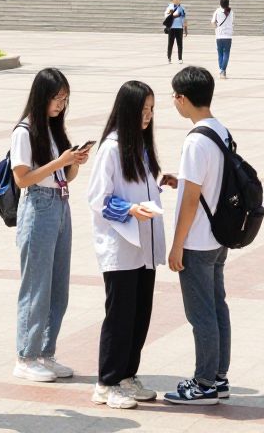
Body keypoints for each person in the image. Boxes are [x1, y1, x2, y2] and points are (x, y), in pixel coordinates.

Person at [87, 81, 165, 410]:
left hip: (142, 246)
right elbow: (97, 199)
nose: (147, 116)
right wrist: (129, 210)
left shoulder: (140, 146)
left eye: (151, 110)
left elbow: (138, 186)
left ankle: (128, 375)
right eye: (143, 110)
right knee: (119, 316)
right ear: (128, 110)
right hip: (120, 247)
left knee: (139, 314)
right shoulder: (111, 148)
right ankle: (107, 382)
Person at [10, 68, 89, 383]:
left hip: (60, 204)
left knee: (58, 286)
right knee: (36, 286)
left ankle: (45, 352)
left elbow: (64, 177)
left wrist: (74, 163)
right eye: (57, 98)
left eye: (65, 99)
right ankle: (25, 356)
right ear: (41, 96)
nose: (60, 105)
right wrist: (60, 162)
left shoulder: (55, 130)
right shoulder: (24, 131)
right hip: (38, 204)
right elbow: (22, 178)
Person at [163, 66, 231, 405]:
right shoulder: (221, 132)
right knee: (217, 307)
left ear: (184, 99)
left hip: (197, 241)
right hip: (218, 239)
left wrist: (177, 246)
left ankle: (203, 384)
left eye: (175, 96)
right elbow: (209, 183)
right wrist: (182, 180)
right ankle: (219, 377)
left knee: (201, 314)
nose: (174, 102)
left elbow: (191, 201)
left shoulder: (195, 141)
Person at [210, 0, 234, 79]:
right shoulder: (231, 12)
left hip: (219, 35)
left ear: (220, 3)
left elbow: (213, 22)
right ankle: (223, 70)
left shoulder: (217, 11)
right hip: (228, 36)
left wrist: (216, 27)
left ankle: (221, 69)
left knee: (220, 53)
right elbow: (232, 21)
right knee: (226, 53)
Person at [164, 0, 187, 64]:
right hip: (171, 28)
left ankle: (180, 58)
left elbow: (184, 18)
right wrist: (175, 15)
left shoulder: (182, 8)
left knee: (180, 44)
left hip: (179, 28)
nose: (176, 0)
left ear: (180, 0)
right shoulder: (169, 7)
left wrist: (186, 30)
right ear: (172, 0)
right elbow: (166, 16)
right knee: (170, 44)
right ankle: (169, 58)